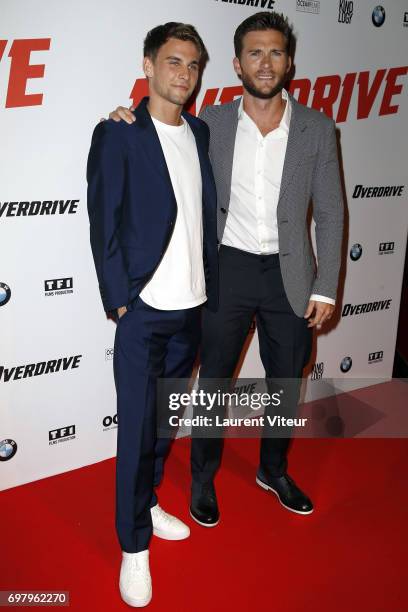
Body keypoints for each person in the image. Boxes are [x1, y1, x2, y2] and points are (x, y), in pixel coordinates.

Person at [108, 11, 343, 528]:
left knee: (286, 380)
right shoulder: (207, 123)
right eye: (255, 52)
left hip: (291, 273)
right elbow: (157, 131)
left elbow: (329, 210)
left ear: (290, 62)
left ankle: (273, 470)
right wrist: (126, 117)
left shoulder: (318, 129)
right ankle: (201, 478)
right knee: (213, 379)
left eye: (276, 52)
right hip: (226, 268)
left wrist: (326, 286)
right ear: (237, 63)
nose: (266, 62)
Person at [87, 22, 218, 607]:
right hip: (142, 311)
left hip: (190, 309)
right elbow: (103, 222)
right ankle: (133, 547)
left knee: (165, 426)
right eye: (172, 62)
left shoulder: (200, 131)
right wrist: (119, 300)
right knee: (137, 430)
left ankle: (148, 504)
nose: (183, 75)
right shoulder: (118, 133)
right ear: (148, 65)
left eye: (192, 65)